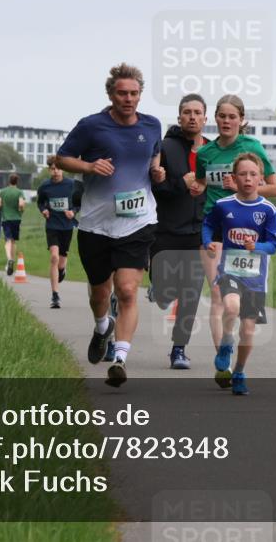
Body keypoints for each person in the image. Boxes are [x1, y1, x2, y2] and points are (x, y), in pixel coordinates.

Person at [56, 62, 165, 387]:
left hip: (138, 221)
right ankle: (102, 325)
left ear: (140, 94)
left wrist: (157, 172)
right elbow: (61, 159)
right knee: (100, 293)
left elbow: (153, 157)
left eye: (133, 93)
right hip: (96, 224)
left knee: (128, 289)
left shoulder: (152, 125)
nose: (128, 99)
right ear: (110, 94)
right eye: (122, 93)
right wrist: (89, 166)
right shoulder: (91, 126)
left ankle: (119, 358)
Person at [189, 95, 276, 381]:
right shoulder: (206, 153)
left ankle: (230, 358)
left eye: (232, 117)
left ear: (241, 120)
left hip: (247, 232)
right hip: (217, 227)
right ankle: (224, 363)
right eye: (222, 116)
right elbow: (202, 182)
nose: (227, 122)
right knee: (219, 295)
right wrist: (196, 186)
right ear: (214, 118)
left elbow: (274, 188)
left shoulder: (251, 148)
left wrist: (242, 186)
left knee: (241, 308)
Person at [202, 153, 276, 395]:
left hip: (256, 278)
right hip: (230, 271)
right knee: (231, 306)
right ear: (234, 178)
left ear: (260, 179)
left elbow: (274, 245)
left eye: (253, 174)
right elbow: (207, 225)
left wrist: (255, 247)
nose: (248, 179)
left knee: (247, 330)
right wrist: (209, 242)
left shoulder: (268, 210)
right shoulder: (223, 205)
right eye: (243, 174)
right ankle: (226, 342)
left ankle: (239, 371)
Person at [150, 93, 210, 369]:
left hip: (199, 233)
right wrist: (180, 184)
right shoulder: (164, 147)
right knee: (164, 294)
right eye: (187, 112)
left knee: (192, 291)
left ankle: (179, 349)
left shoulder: (212, 151)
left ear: (205, 118)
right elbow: (154, 188)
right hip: (165, 230)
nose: (193, 117)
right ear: (179, 117)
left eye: (198, 112)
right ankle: (159, 290)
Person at [37, 156, 81, 309]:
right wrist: (43, 210)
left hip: (67, 226)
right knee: (54, 257)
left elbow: (78, 202)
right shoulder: (45, 186)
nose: (55, 171)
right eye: (53, 169)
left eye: (58, 168)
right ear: (49, 169)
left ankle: (62, 270)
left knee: (61, 261)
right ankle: (55, 295)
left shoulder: (71, 185)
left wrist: (73, 212)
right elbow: (40, 202)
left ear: (62, 169)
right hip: (52, 225)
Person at [0, 174, 26, 276]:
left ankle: (9, 259)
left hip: (6, 218)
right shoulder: (19, 192)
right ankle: (12, 260)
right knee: (13, 241)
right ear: (17, 182)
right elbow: (21, 204)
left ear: (9, 181)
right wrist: (21, 210)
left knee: (8, 240)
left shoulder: (3, 191)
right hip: (16, 219)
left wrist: (2, 208)